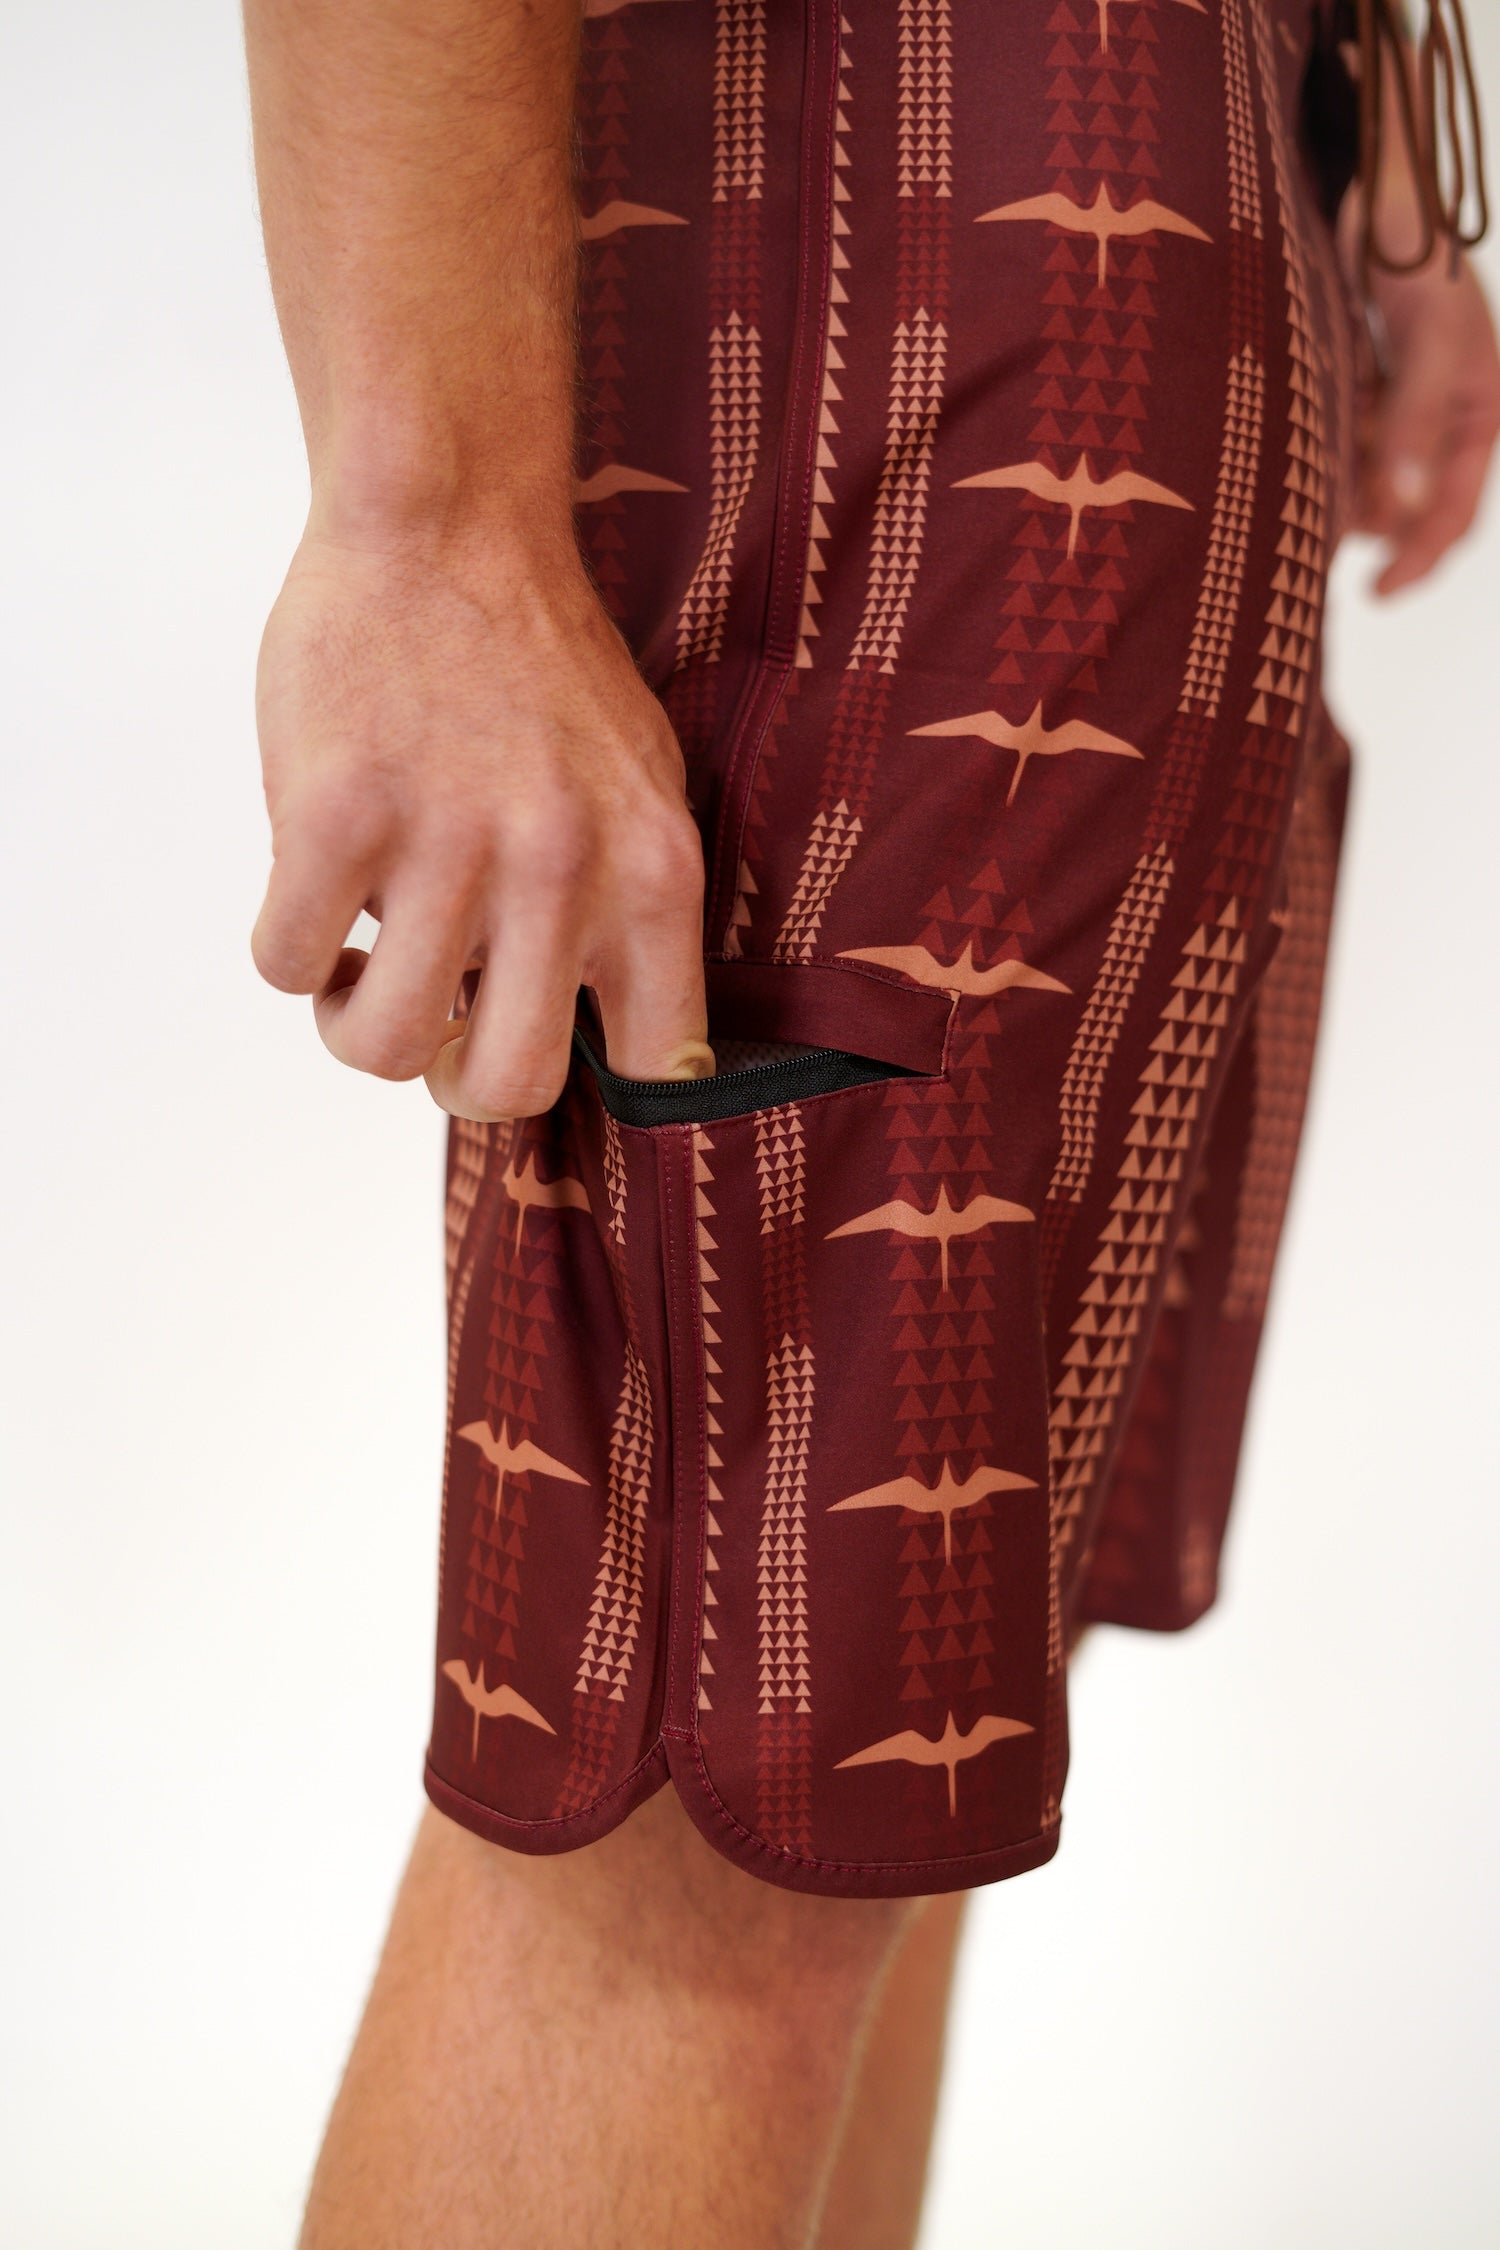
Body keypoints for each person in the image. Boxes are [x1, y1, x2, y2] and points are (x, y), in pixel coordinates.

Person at [241, 0, 1497, 2242]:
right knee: (715, 1777)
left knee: (908, 1758)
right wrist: (427, 521)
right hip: (872, 169)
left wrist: (1368, 150)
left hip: (1209, 154)